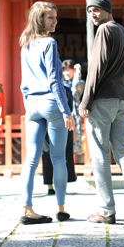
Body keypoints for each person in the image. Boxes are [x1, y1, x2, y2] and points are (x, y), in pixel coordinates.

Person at [80, 0, 124, 226]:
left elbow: (96, 68)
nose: (93, 14)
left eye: (97, 9)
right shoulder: (122, 32)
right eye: (90, 10)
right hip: (121, 100)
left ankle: (106, 210)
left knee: (99, 154)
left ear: (108, 10)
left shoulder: (104, 30)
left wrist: (85, 101)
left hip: (103, 100)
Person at [20, 1, 75, 225]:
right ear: (39, 19)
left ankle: (27, 208)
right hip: (51, 103)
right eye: (50, 17)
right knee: (59, 157)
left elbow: (23, 82)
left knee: (30, 160)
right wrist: (67, 111)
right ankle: (61, 209)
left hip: (31, 103)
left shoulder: (25, 44)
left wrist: (27, 103)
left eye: (55, 17)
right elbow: (55, 80)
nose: (55, 21)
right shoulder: (49, 43)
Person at [42, 59, 78, 194]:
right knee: (62, 154)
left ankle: (52, 186)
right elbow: (69, 110)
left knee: (50, 154)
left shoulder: (44, 88)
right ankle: (59, 185)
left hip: (50, 124)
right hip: (63, 124)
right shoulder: (65, 89)